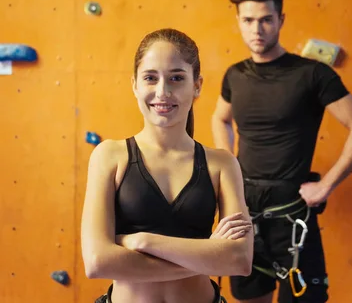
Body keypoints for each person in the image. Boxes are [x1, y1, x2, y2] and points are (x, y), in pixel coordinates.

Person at [212, 0, 352, 303]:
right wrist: (229, 165)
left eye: (266, 20)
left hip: (293, 215)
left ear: (281, 19)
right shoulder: (235, 75)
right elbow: (220, 118)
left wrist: (326, 185)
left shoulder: (312, 75)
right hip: (244, 212)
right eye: (249, 21)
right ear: (238, 22)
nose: (257, 30)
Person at [81, 28, 254, 303]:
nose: (163, 92)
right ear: (135, 85)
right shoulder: (110, 156)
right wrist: (207, 254)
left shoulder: (221, 164)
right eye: (150, 78)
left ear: (196, 86)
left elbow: (240, 260)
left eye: (176, 78)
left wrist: (142, 242)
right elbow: (97, 262)